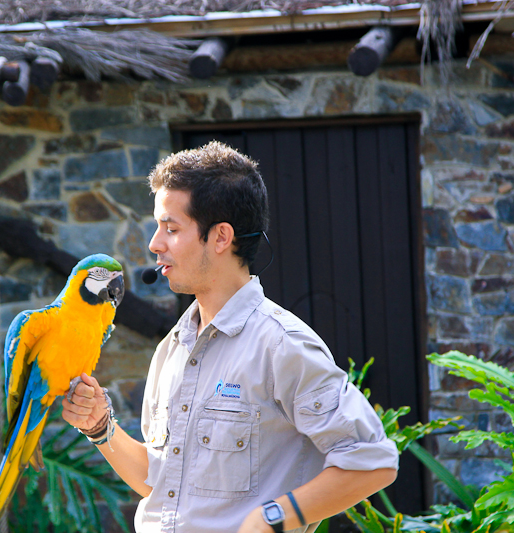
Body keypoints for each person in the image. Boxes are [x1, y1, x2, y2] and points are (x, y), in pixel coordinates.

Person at [62, 141, 399, 533]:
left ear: (221, 237)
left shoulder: (282, 345)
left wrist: (269, 519)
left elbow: (373, 461)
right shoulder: (170, 350)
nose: (155, 243)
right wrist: (101, 427)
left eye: (171, 228)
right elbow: (161, 483)